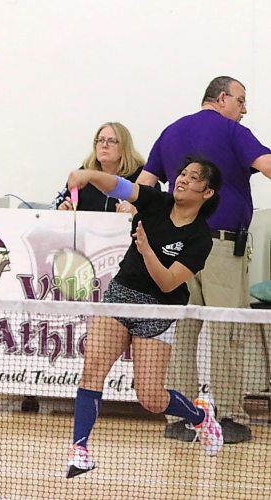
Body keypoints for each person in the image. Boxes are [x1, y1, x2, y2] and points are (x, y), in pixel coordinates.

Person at [131, 75, 271, 444]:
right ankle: (229, 418)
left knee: (183, 330)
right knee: (226, 331)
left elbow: (143, 186)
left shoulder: (172, 131)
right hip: (220, 249)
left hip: (177, 244)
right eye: (241, 101)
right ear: (223, 97)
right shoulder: (233, 131)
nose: (244, 110)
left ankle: (181, 418)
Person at [65, 157, 223, 479]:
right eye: (182, 174)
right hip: (122, 295)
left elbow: (167, 282)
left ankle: (199, 416)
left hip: (159, 309)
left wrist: (147, 249)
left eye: (193, 178)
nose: (182, 180)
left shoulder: (200, 239)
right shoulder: (156, 202)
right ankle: (79, 450)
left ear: (206, 192)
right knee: (93, 367)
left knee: (150, 398)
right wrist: (89, 175)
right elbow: (121, 186)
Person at [54, 122, 154, 212]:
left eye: (111, 141)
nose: (104, 145)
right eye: (100, 140)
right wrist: (63, 208)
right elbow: (56, 204)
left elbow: (157, 208)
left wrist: (135, 208)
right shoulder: (83, 175)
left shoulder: (143, 175)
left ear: (124, 147)